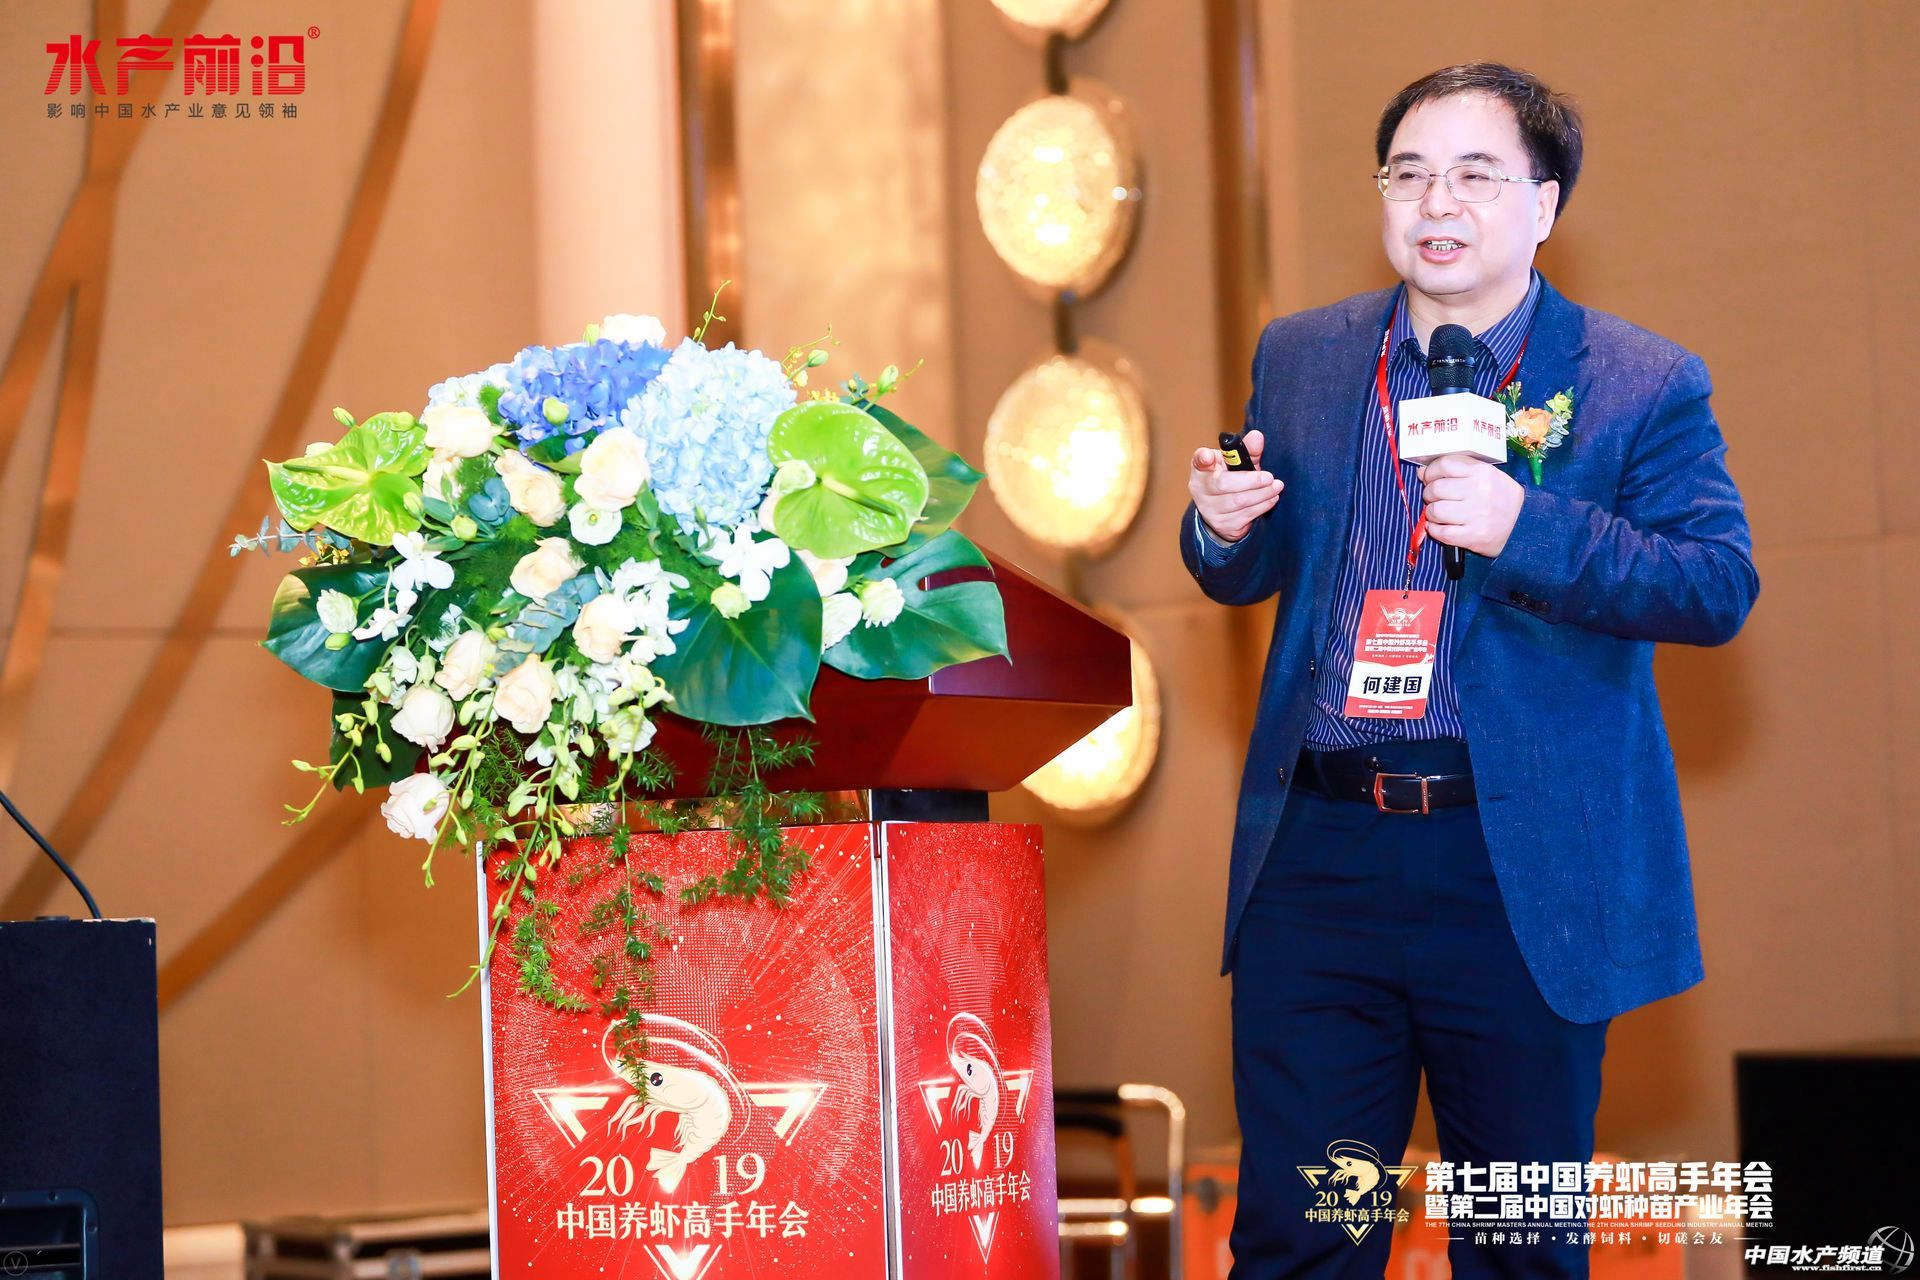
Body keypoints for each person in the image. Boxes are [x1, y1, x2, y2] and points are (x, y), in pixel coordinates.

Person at [1179, 63, 1759, 1279]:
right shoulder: (1306, 355)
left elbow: (1714, 583)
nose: (1436, 202)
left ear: (1544, 205)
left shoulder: (1639, 379)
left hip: (1516, 862)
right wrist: (1221, 528)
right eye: (1409, 174)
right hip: (1320, 855)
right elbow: (1259, 565)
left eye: (1476, 175)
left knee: (1516, 1243)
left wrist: (1524, 526)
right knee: (1304, 1237)